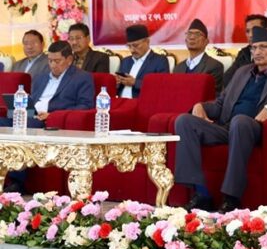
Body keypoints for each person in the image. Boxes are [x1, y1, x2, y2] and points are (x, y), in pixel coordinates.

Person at [175, 26, 267, 213]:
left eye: (263, 47)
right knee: (184, 121)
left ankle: (231, 197)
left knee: (240, 121)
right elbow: (221, 104)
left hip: (256, 128)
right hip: (227, 127)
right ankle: (201, 194)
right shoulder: (242, 72)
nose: (258, 52)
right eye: (254, 48)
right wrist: (201, 106)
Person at [0, 40, 94, 193]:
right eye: (50, 60)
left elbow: (86, 105)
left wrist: (52, 115)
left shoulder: (82, 77)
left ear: (69, 60)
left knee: (23, 128)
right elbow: (34, 99)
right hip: (31, 115)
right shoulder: (41, 77)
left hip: (50, 121)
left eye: (57, 61)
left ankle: (17, 182)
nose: (53, 65)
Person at [223, 14, 267, 87]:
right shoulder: (243, 52)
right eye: (247, 31)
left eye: (254, 30)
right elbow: (227, 80)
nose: (250, 35)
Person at [116, 24, 169, 98]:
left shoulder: (160, 61)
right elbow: (117, 88)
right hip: (121, 102)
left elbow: (162, 86)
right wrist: (117, 83)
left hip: (144, 103)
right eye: (129, 46)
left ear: (147, 41)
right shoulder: (125, 61)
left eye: (135, 45)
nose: (132, 50)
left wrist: (135, 83)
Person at [174, 19, 224, 94]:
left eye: (197, 34)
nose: (192, 37)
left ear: (206, 42)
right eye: (189, 34)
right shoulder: (178, 68)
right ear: (185, 40)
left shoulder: (214, 66)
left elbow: (213, 96)